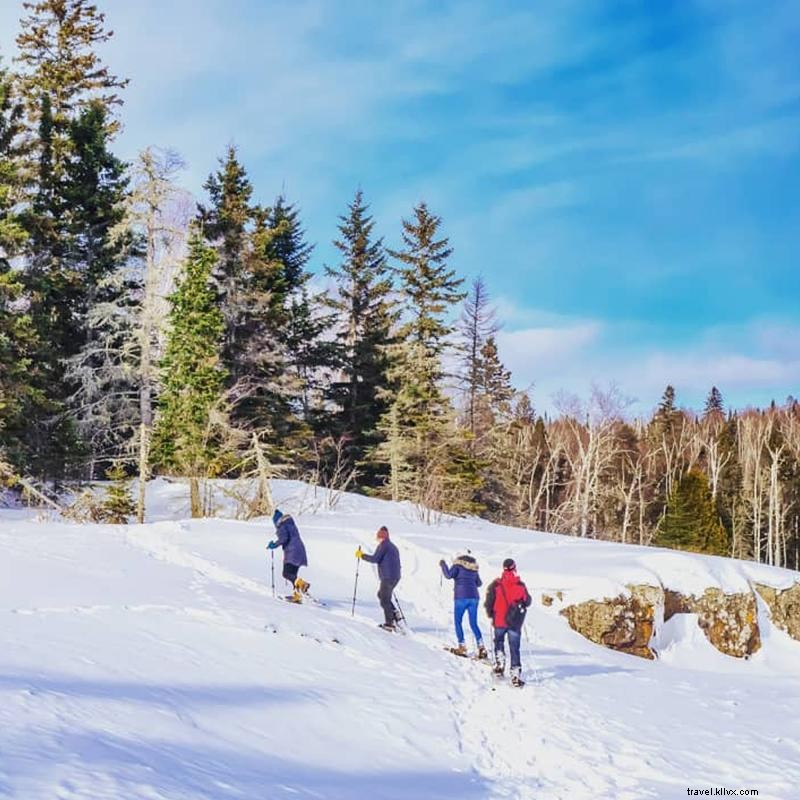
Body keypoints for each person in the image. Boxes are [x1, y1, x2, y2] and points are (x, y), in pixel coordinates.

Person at [484, 558, 532, 686]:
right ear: (514, 568)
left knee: (499, 642)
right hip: (514, 622)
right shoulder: (520, 585)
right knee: (514, 648)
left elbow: (489, 602)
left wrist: (492, 615)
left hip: (499, 620)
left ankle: (500, 665)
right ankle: (515, 675)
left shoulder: (496, 585)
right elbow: (528, 601)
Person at [440, 553, 487, 659]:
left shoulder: (457, 566)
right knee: (473, 623)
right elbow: (479, 583)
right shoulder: (474, 569)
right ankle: (481, 647)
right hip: (474, 598)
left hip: (461, 597)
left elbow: (448, 575)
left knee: (458, 622)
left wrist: (443, 564)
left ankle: (462, 647)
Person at [356, 526, 401, 631]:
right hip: (395, 577)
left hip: (388, 577)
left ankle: (389, 624)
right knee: (381, 595)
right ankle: (394, 613)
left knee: (384, 599)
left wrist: (361, 555)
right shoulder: (393, 546)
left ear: (381, 537)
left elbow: (375, 559)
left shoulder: (383, 545)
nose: (377, 539)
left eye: (378, 537)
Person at [267, 509, 309, 603]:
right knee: (293, 575)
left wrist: (274, 545)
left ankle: (302, 584)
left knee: (286, 573)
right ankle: (297, 595)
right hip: (300, 551)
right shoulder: (290, 524)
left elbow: (284, 538)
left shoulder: (281, 526)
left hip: (292, 552)